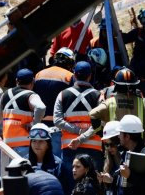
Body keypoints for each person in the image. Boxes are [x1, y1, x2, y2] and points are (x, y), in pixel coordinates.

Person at [54, 61, 102, 194]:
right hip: (93, 148)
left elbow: (57, 120)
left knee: (71, 187)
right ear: (90, 76)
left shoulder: (63, 95)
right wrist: (82, 135)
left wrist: (77, 132)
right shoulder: (99, 96)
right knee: (93, 187)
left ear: (74, 75)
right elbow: (100, 124)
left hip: (69, 148)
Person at [85, 67, 145, 147]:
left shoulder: (110, 102)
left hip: (115, 148)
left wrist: (102, 132)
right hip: (138, 149)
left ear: (116, 85)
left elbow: (93, 114)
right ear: (135, 85)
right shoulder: (144, 103)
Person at [34, 47, 75, 158]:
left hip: (40, 125)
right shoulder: (69, 77)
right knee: (56, 161)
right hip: (59, 127)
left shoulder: (39, 74)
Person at [0, 68, 45, 157]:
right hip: (25, 145)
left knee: (6, 171)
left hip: (7, 145)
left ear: (16, 81)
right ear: (32, 81)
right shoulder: (31, 95)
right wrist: (34, 124)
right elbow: (41, 107)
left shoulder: (5, 94)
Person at [115, 115, 145, 195]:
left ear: (127, 136)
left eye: (120, 133)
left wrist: (130, 175)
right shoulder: (127, 154)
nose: (118, 136)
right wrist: (111, 180)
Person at [123, 8, 145, 104]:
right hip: (138, 78)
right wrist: (115, 32)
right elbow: (124, 38)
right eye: (144, 22)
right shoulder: (138, 32)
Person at [97, 121, 121, 194]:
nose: (109, 148)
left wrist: (112, 181)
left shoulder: (127, 159)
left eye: (112, 144)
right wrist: (100, 182)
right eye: (106, 145)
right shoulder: (108, 162)